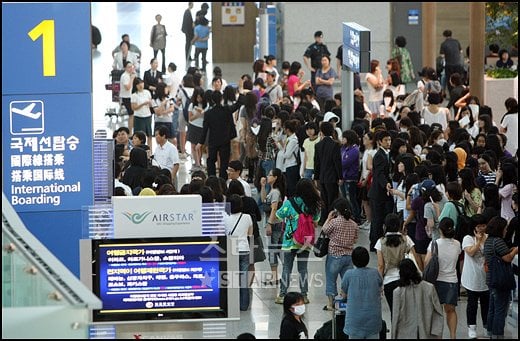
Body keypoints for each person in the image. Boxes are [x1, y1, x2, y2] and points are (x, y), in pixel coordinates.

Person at [275, 178, 321, 304]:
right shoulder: (314, 204)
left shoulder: (289, 203)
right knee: (303, 269)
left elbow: (278, 216)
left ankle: (282, 295)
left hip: (290, 241)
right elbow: (316, 223)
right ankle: (304, 295)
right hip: (305, 241)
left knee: (286, 268)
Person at [424, 217, 462, 339]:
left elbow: (426, 262)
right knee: (451, 311)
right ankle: (453, 336)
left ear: (440, 230)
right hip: (452, 281)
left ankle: (438, 336)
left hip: (436, 281)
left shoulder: (434, 244)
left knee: (437, 312)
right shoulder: (457, 244)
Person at [376, 213, 418, 321]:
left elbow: (381, 266)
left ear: (385, 226)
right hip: (405, 279)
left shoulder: (380, 242)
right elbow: (416, 258)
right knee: (407, 311)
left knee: (393, 312)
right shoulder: (406, 239)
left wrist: (379, 284)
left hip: (389, 281)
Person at [483, 216, 518, 338]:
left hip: (491, 279)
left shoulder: (489, 241)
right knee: (500, 310)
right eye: (505, 228)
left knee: (492, 308)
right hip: (501, 280)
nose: (506, 230)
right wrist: (515, 250)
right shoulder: (498, 241)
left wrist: (510, 250)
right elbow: (507, 258)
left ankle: (490, 332)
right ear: (500, 228)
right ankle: (498, 334)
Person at [391, 258, 444, 339]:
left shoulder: (397, 292)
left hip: (404, 334)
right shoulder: (429, 287)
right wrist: (437, 332)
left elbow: (395, 317)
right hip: (427, 332)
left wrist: (393, 336)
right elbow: (438, 311)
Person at [321, 197, 358, 311]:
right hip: (348, 256)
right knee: (347, 280)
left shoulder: (334, 222)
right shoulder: (354, 224)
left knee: (331, 279)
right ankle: (346, 301)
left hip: (334, 255)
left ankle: (330, 304)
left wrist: (328, 218)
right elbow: (355, 239)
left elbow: (324, 230)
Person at [340, 246, 383, 339]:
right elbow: (380, 289)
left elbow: (343, 294)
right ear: (368, 259)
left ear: (353, 260)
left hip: (354, 321)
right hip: (373, 320)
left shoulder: (348, 274)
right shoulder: (375, 273)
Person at [461, 214, 489, 339]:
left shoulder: (489, 238)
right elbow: (471, 252)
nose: (482, 228)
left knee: (486, 304)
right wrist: (478, 242)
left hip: (485, 277)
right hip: (471, 277)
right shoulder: (468, 238)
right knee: (472, 304)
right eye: (479, 226)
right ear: (474, 227)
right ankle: (471, 328)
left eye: (483, 225)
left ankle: (486, 326)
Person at [224, 194, 253, 311]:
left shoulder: (225, 219)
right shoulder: (247, 217)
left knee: (231, 279)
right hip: (244, 249)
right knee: (244, 279)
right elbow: (250, 235)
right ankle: (244, 305)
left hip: (231, 251)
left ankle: (232, 303)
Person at [368, 130, 394, 251]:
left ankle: (375, 242)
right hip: (378, 193)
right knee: (377, 220)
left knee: (379, 219)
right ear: (379, 142)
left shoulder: (386, 154)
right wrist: (386, 184)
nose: (388, 142)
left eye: (389, 139)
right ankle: (374, 244)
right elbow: (379, 174)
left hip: (382, 192)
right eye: (386, 140)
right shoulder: (379, 155)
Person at [260, 168, 286, 286]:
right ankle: (282, 274)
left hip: (274, 224)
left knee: (273, 250)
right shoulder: (272, 190)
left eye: (270, 175)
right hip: (277, 223)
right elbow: (263, 200)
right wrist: (263, 186)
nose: (267, 176)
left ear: (275, 177)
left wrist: (269, 224)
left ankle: (274, 276)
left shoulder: (275, 192)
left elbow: (274, 208)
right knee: (279, 249)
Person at [313, 121, 342, 224]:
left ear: (321, 132)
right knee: (333, 199)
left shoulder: (318, 145)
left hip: (322, 176)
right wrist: (340, 177)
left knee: (323, 199)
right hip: (332, 177)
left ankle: (323, 219)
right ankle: (332, 219)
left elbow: (316, 162)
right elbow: (337, 162)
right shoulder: (335, 144)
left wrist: (316, 177)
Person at [131, 77, 153, 150]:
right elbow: (133, 108)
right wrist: (143, 104)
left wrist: (150, 103)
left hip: (147, 116)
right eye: (138, 84)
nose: (141, 85)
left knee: (149, 135)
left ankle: (149, 151)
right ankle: (138, 150)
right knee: (139, 136)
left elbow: (150, 104)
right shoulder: (134, 95)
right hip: (139, 117)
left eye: (142, 83)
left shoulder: (147, 92)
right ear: (135, 86)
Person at [439, 29, 464, 93]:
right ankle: (460, 92)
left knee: (449, 79)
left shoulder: (443, 44)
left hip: (449, 64)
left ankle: (451, 93)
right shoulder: (456, 42)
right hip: (458, 64)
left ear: (444, 36)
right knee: (458, 78)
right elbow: (461, 51)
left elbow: (442, 55)